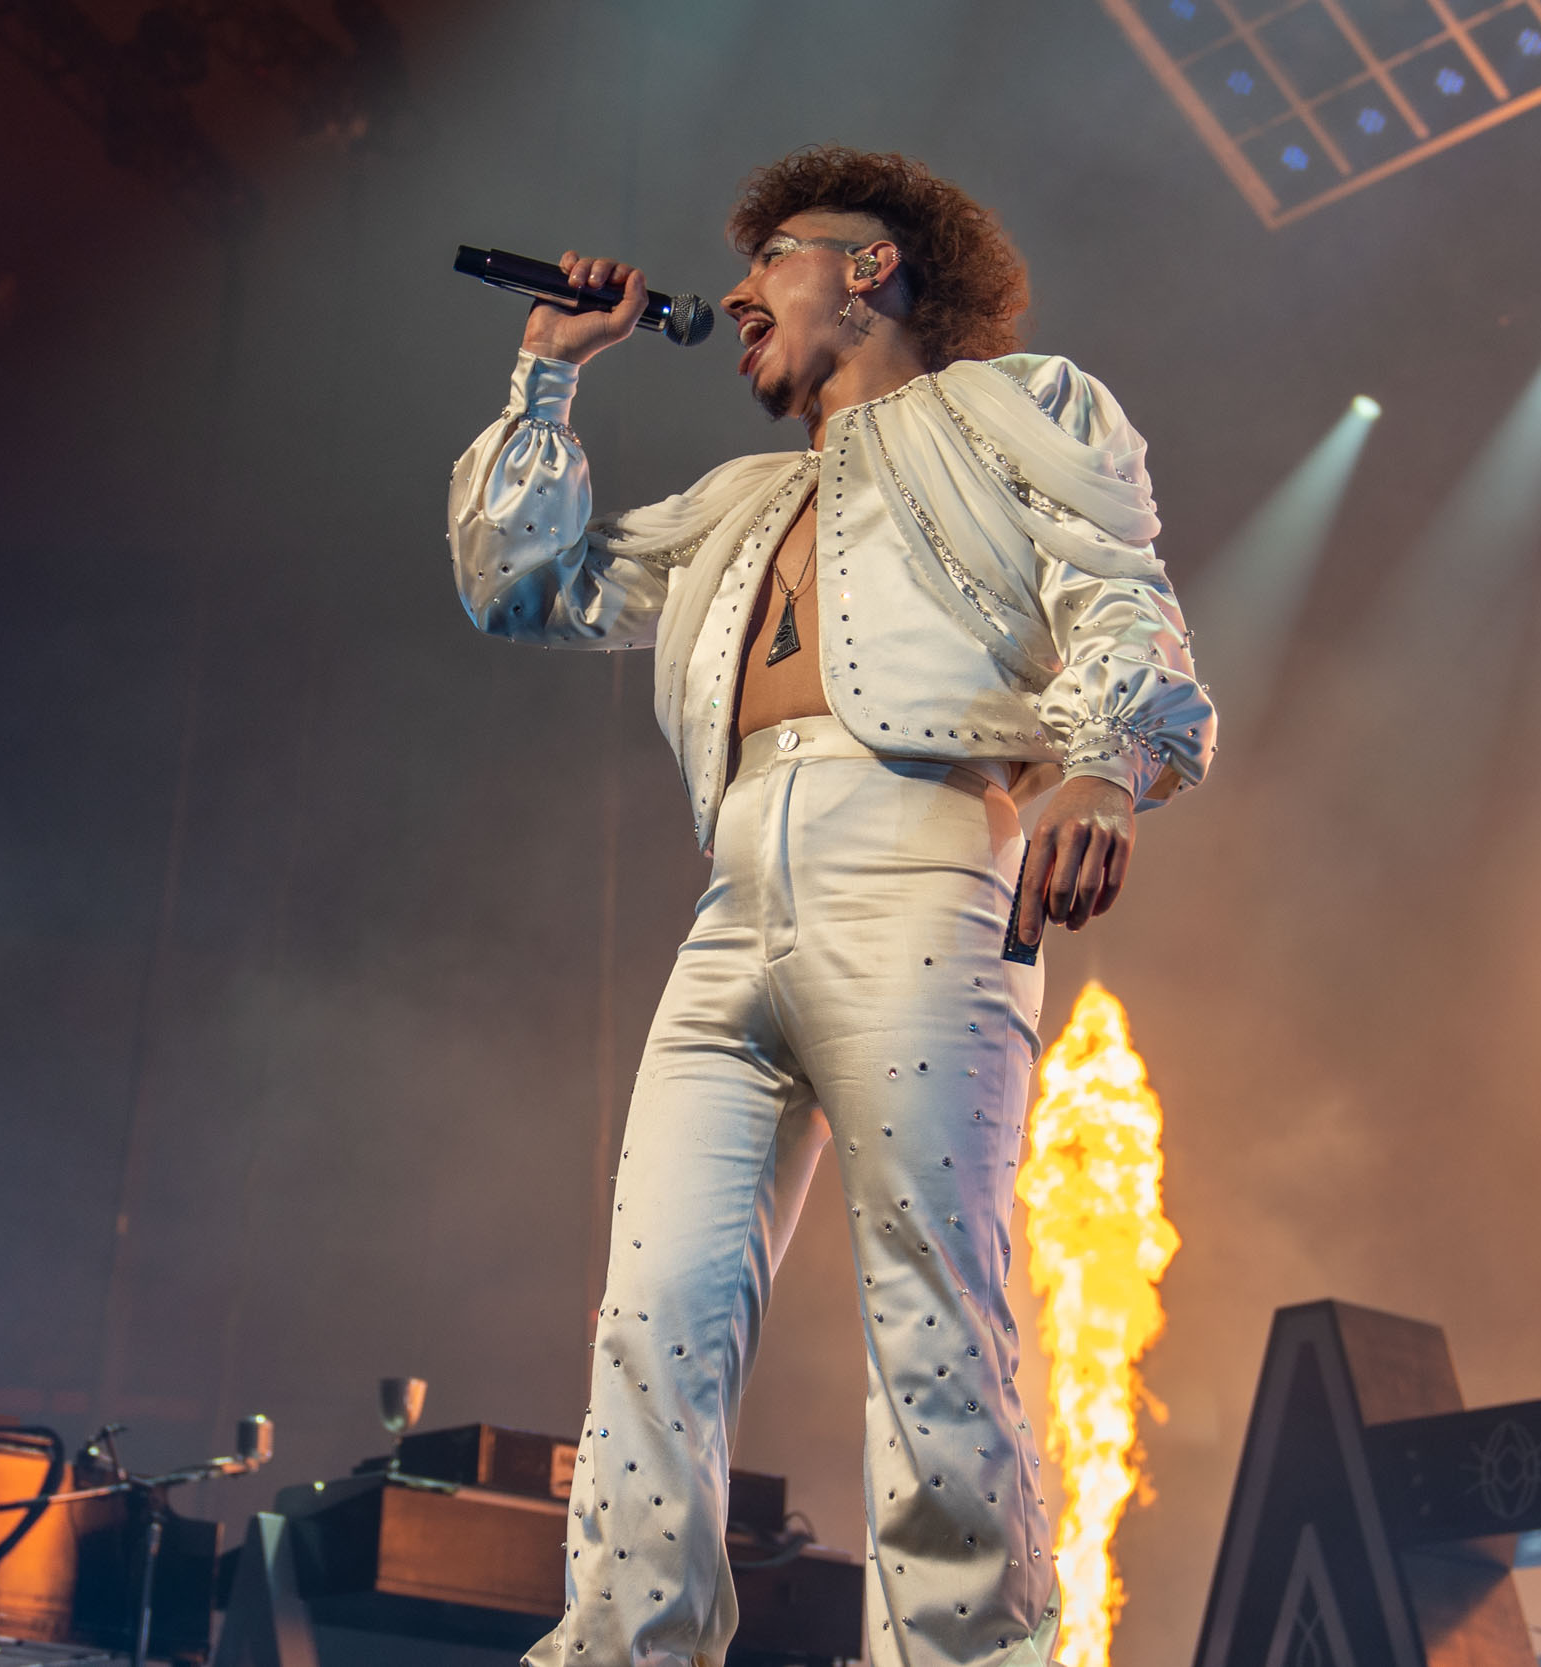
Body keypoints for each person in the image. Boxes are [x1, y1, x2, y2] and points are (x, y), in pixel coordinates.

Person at [447, 146, 1213, 1667]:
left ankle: (961, 1655)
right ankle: (623, 1648)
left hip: (920, 866)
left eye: (770, 259)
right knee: (652, 1315)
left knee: (932, 1311)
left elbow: (1120, 593)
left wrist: (1107, 768)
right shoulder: (737, 505)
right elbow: (521, 584)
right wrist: (548, 378)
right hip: (732, 909)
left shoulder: (1019, 409)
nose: (736, 293)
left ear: (870, 267)